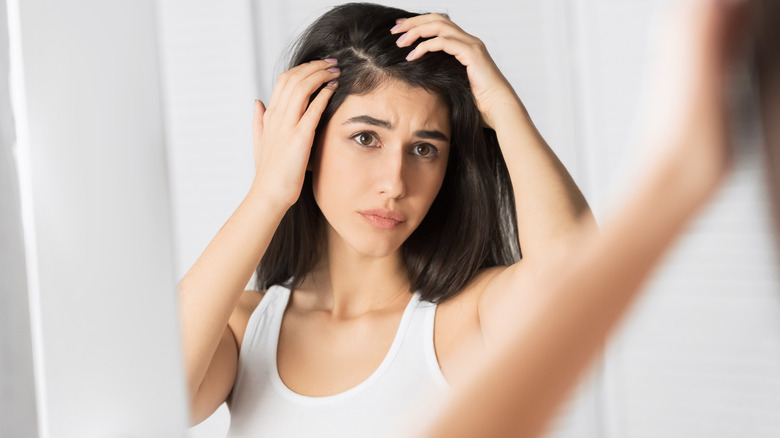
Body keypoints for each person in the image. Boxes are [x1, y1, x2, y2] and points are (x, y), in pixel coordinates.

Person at [178, 2, 593, 437]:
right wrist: (268, 192)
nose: (395, 183)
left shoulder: (467, 321)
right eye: (366, 138)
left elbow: (578, 278)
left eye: (423, 148)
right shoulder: (244, 331)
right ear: (306, 141)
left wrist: (503, 106)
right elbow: (152, 399)